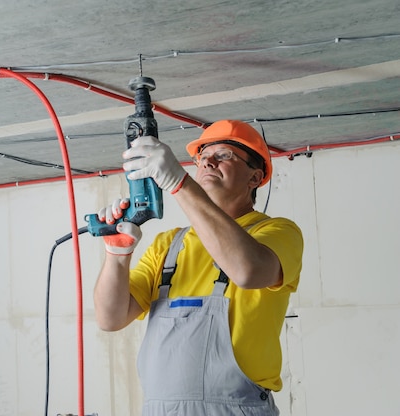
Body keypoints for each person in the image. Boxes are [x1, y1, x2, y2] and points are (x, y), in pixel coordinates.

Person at [93, 119, 304, 416]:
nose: (208, 163)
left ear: (255, 178)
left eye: (224, 155)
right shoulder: (169, 245)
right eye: (202, 157)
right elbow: (110, 318)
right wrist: (117, 254)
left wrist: (180, 183)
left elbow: (246, 271)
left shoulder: (276, 233)